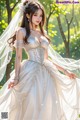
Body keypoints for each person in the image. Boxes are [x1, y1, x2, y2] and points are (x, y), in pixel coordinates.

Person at [0, 0, 80, 120]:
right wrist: (16, 77)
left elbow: (47, 58)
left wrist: (65, 71)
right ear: (28, 15)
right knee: (30, 99)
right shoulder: (21, 31)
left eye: (41, 15)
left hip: (47, 72)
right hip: (30, 70)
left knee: (49, 102)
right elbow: (18, 57)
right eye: (35, 15)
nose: (39, 18)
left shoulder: (42, 32)